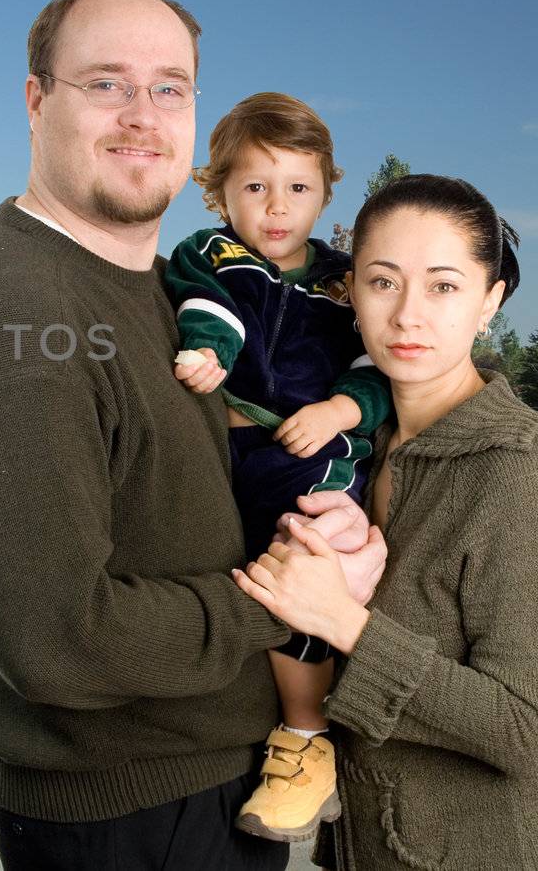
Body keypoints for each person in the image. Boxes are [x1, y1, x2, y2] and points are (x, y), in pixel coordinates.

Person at [0, 0, 387, 871]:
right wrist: (289, 598)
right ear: (35, 101)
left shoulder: (158, 288)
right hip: (131, 817)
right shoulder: (21, 311)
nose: (142, 114)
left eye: (168, 87)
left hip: (198, 794)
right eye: (106, 83)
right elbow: (58, 640)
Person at [233, 174, 538, 870]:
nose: (407, 315)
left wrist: (343, 618)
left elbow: (519, 726)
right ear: (350, 293)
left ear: (490, 301)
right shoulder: (358, 452)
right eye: (382, 281)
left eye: (443, 285)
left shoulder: (520, 476)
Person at [166, 93, 391, 843]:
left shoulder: (341, 278)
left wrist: (337, 412)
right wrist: (208, 355)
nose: (275, 206)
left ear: (326, 191)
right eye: (254, 186)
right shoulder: (215, 253)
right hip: (235, 448)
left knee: (298, 559)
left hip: (317, 452)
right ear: (220, 189)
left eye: (297, 187)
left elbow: (370, 367)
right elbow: (213, 310)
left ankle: (305, 738)